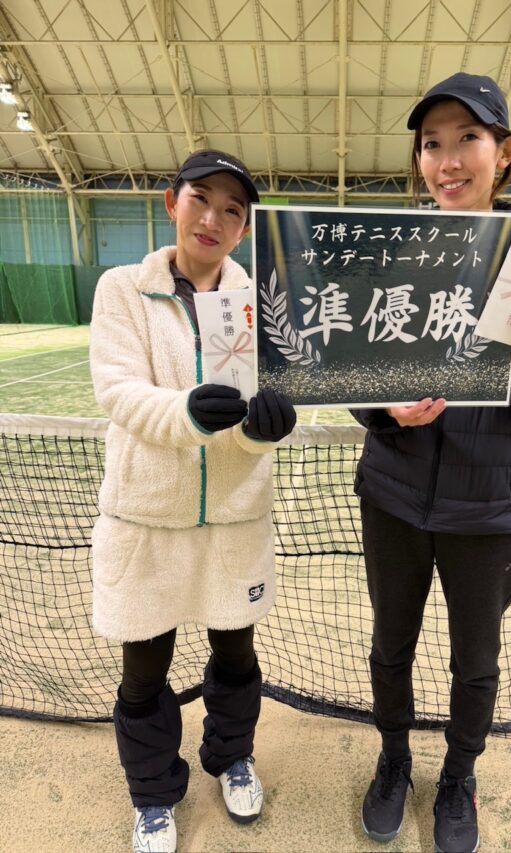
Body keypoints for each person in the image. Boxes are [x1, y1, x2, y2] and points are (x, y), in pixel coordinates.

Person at [352, 73, 511, 853]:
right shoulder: (392, 256)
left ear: (503, 152)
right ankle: (393, 759)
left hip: (490, 507)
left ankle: (459, 774)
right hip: (393, 496)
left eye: (467, 139)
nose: (447, 160)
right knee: (390, 644)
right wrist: (385, 408)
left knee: (475, 659)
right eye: (431, 144)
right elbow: (352, 375)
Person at [90, 149, 296, 853]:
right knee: (143, 674)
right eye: (201, 198)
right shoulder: (122, 289)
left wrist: (266, 429)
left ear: (244, 229)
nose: (213, 218)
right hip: (147, 521)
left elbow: (272, 409)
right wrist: (186, 413)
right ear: (171, 201)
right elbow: (118, 390)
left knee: (236, 657)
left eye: (232, 210)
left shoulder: (261, 304)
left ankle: (232, 758)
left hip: (236, 520)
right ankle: (153, 795)